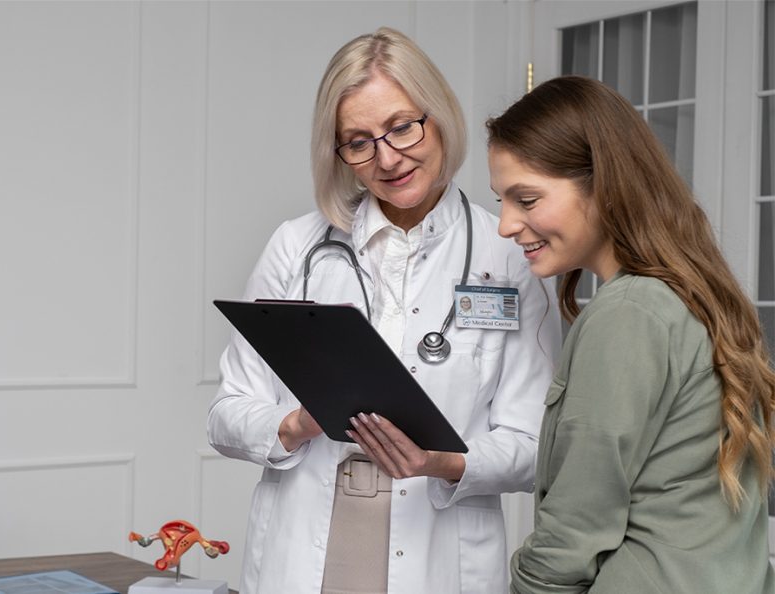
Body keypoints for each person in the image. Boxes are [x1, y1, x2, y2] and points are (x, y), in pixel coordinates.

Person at [207, 27, 561, 594]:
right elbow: (225, 415)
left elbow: (535, 444)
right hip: (306, 543)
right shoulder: (295, 247)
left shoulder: (510, 255)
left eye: (401, 127)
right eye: (359, 141)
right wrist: (295, 424)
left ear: (438, 115)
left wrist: (440, 461)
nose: (388, 158)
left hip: (437, 550)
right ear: (340, 151)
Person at [487, 75, 775, 594]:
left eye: (526, 200)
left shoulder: (629, 315)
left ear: (603, 185)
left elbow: (573, 531)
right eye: (502, 200)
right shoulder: (689, 294)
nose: (506, 224)